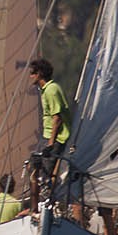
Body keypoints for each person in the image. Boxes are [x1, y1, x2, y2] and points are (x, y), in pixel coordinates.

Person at [29, 59, 72, 195]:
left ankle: (44, 203)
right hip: (47, 136)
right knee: (33, 167)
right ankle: (34, 207)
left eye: (32, 73)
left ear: (40, 74)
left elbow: (57, 118)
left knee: (45, 172)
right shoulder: (45, 90)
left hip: (56, 138)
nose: (30, 76)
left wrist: (50, 144)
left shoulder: (51, 90)